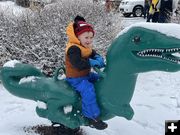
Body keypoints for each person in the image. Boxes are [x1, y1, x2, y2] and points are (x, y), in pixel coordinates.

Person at [65, 15, 108, 130]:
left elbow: (93, 53)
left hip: (86, 75)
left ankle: (104, 101)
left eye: (91, 37)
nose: (89, 41)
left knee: (100, 78)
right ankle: (92, 117)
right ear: (77, 37)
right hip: (75, 79)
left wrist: (98, 58)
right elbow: (78, 64)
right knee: (88, 89)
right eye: (86, 37)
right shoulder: (73, 49)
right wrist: (91, 62)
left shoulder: (85, 46)